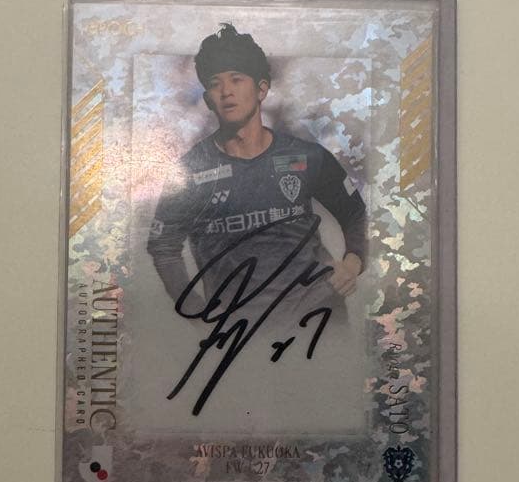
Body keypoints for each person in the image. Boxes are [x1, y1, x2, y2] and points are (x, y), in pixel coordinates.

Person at [146, 23, 366, 331]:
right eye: (215, 84)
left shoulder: (307, 156)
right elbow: (163, 247)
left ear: (262, 89)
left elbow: (354, 212)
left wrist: (353, 262)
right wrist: (196, 312)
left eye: (237, 79)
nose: (227, 91)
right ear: (208, 99)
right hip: (240, 332)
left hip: (319, 316)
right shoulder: (189, 170)